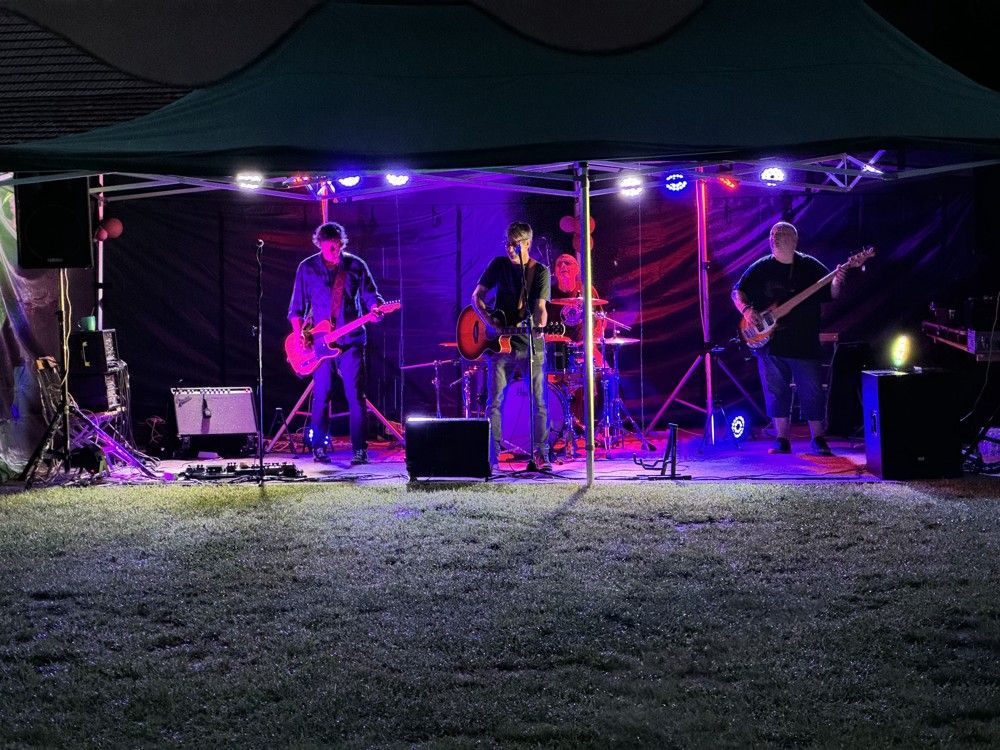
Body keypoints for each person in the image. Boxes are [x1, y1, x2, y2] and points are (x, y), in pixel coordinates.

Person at [731, 221, 846, 456]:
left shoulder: (810, 266)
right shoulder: (761, 267)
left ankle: (818, 439)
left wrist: (838, 280)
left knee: (812, 391)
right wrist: (747, 310)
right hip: (771, 344)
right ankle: (782, 439)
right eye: (773, 234)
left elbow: (832, 293)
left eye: (782, 233)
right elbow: (737, 291)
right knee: (776, 392)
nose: (775, 237)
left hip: (804, 341)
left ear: (795, 240)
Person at [288, 221, 385, 464]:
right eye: (329, 246)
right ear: (319, 244)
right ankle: (318, 448)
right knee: (321, 396)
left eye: (337, 245)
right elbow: (295, 309)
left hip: (351, 341)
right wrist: (300, 337)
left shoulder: (355, 265)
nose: (334, 250)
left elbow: (371, 295)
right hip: (320, 344)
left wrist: (376, 308)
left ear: (342, 243)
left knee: (356, 396)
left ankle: (359, 450)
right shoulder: (307, 268)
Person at [472, 221, 551, 469]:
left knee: (539, 401)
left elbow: (540, 308)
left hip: (530, 346)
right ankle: (491, 457)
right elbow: (476, 297)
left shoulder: (540, 272)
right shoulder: (498, 265)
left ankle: (541, 454)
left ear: (527, 244)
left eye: (514, 244)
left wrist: (540, 326)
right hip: (499, 346)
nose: (509, 248)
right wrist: (489, 321)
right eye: (507, 243)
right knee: (494, 402)